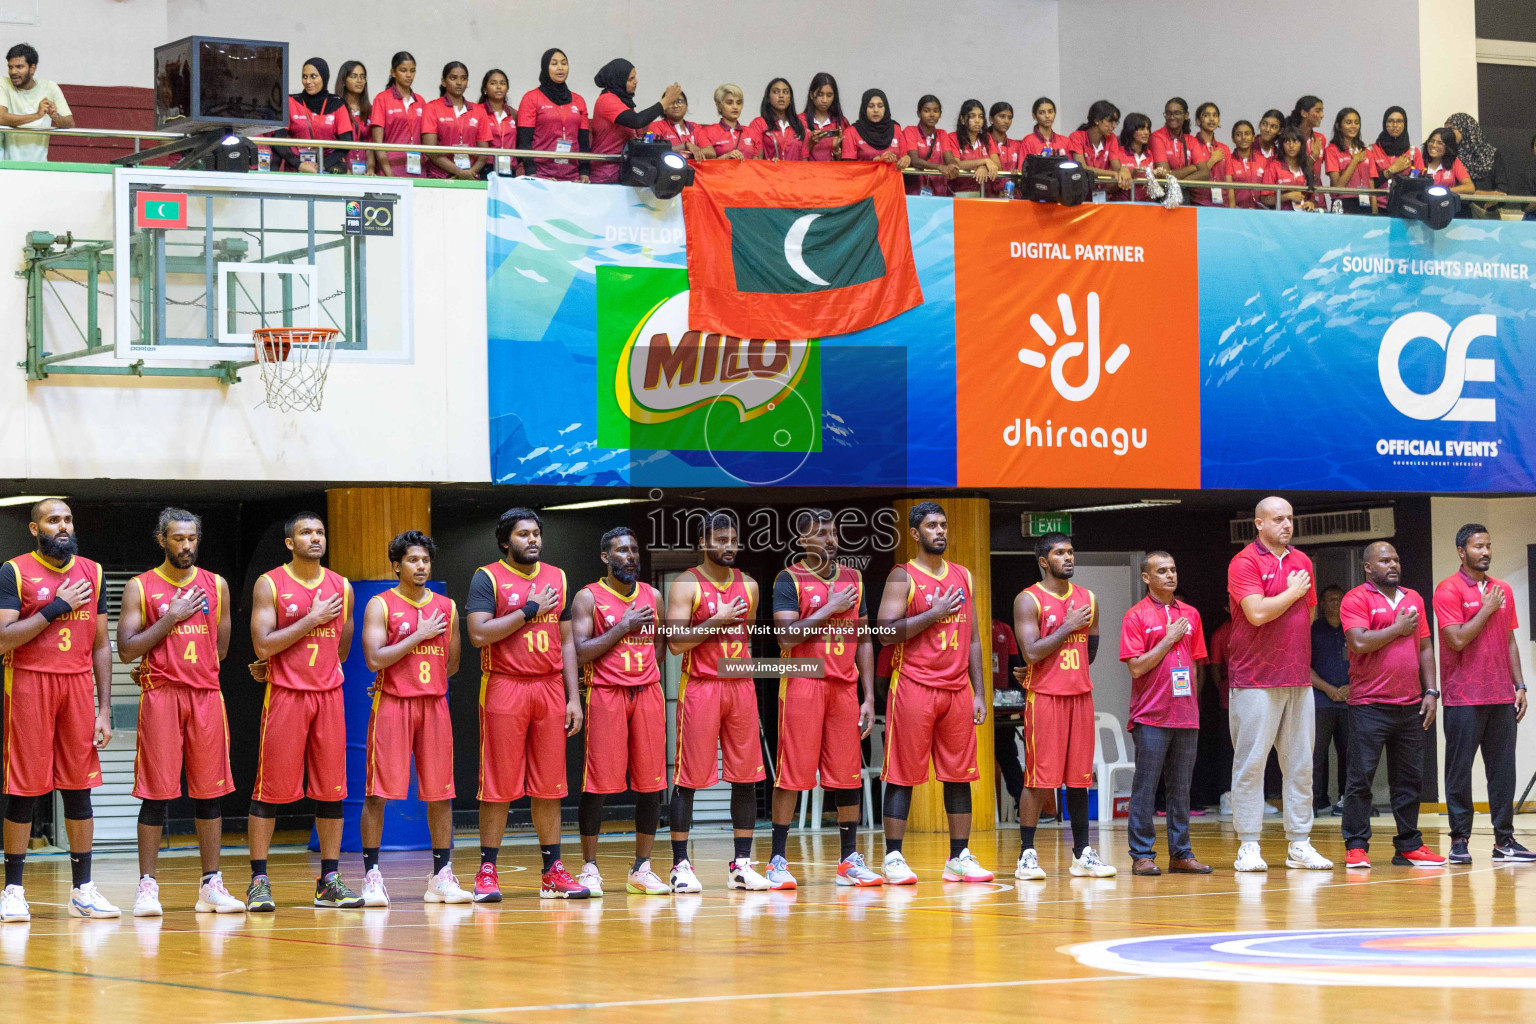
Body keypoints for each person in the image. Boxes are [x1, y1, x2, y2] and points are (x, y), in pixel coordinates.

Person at [116, 508, 243, 917]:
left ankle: (211, 884)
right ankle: (147, 886)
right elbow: (127, 649)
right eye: (177, 538)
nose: (186, 545)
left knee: (210, 794)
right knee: (156, 795)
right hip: (162, 695)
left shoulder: (217, 585)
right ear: (161, 540)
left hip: (205, 694)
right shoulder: (141, 586)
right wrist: (172, 617)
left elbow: (220, 648)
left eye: (191, 538)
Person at [0, 499, 118, 923]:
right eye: (53, 520)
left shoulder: (95, 571)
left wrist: (104, 709)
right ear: (35, 529)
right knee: (24, 790)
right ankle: (12, 890)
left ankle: (83, 890)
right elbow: (3, 638)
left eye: (68, 518)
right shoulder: (14, 571)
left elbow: (102, 643)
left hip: (76, 686)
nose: (63, 525)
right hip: (30, 682)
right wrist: (56, 607)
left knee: (79, 787)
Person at [467, 508, 587, 900]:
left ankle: (552, 869)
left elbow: (567, 641)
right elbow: (479, 634)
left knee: (550, 786)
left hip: (550, 687)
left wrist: (574, 696)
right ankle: (487, 870)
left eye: (536, 533)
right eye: (523, 534)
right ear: (506, 542)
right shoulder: (487, 577)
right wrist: (529, 609)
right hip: (506, 686)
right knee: (498, 785)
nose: (532, 539)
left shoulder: (558, 577)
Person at [246, 512, 360, 911]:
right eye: (305, 533)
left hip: (328, 696)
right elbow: (262, 646)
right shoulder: (270, 583)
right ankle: (259, 880)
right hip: (286, 695)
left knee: (332, 790)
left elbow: (341, 646)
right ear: (289, 543)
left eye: (320, 532)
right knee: (269, 791)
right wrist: (311, 619)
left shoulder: (341, 586)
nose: (315, 538)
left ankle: (329, 880)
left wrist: (319, 657)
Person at [877, 502, 991, 884]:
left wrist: (979, 692)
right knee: (902, 775)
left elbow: (973, 640)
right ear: (914, 533)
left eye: (943, 525)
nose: (940, 531)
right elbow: (885, 631)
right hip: (913, 684)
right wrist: (934, 612)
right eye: (931, 525)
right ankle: (893, 857)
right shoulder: (902, 575)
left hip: (957, 688)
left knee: (960, 776)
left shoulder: (964, 575)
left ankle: (959, 856)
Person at [768, 509, 882, 889]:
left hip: (844, 688)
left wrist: (868, 696)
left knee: (847, 775)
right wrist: (830, 607)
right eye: (820, 534)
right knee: (792, 775)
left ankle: (849, 859)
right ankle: (777, 861)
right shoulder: (789, 579)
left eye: (833, 532)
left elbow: (865, 640)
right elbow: (786, 637)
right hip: (803, 684)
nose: (830, 539)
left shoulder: (854, 578)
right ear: (803, 542)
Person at [358, 531, 470, 907]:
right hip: (392, 703)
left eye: (425, 560)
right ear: (397, 565)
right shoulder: (380, 604)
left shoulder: (448, 607)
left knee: (441, 794)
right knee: (377, 794)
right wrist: (418, 635)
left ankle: (441, 876)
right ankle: (372, 876)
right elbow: (374, 658)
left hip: (434, 705)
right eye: (412, 560)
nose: (420, 566)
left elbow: (451, 664)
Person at [664, 513, 768, 893]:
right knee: (688, 778)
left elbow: (748, 631)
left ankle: (741, 864)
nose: (729, 546)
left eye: (733, 540)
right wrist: (717, 619)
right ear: (703, 543)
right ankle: (680, 866)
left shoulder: (751, 586)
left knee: (746, 776)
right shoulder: (686, 584)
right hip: (702, 685)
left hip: (740, 684)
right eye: (720, 539)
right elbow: (675, 642)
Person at [1226, 496, 1330, 872]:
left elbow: (1309, 611)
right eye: (1278, 519)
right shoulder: (1244, 563)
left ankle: (1299, 844)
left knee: (1301, 765)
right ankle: (1249, 845)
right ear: (1259, 524)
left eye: (1290, 518)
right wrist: (1291, 593)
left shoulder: (1302, 562)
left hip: (1297, 679)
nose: (1287, 525)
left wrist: (1292, 598)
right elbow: (1255, 613)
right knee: (1251, 764)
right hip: (1254, 680)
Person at [570, 527, 669, 897]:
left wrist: (643, 671)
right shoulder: (588, 597)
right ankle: (590, 867)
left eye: (633, 549)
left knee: (651, 783)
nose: (630, 556)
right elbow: (580, 652)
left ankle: (641, 867)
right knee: (597, 784)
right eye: (622, 551)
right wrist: (624, 627)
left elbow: (659, 646)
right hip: (605, 694)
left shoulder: (653, 596)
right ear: (605, 557)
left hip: (647, 693)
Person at [1012, 532, 1113, 881]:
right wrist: (1068, 626)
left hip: (1080, 696)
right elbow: (1032, 652)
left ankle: (1083, 853)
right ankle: (1026, 854)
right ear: (1044, 561)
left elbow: (1092, 646)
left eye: (1071, 551)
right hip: (1044, 697)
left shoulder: (1089, 598)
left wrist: (1073, 668)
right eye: (1059, 553)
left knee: (1079, 779)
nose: (1068, 558)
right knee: (1039, 779)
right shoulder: (1028, 599)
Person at [1338, 543, 1446, 869]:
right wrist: (1398, 629)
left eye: (1396, 559)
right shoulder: (1355, 598)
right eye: (1385, 560)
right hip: (1368, 705)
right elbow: (1357, 641)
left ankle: (1409, 845)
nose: (1393, 564)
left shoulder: (1414, 598)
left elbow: (1425, 646)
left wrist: (1431, 691)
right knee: (1360, 780)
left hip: (1411, 704)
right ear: (1368, 567)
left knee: (1410, 780)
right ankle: (1356, 846)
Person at [1433, 524, 1534, 864]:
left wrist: (1519, 685)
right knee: (1459, 772)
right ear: (1462, 551)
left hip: (1502, 696)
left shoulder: (1502, 589)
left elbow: (1509, 641)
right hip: (1464, 698)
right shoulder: (1447, 590)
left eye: (1488, 545)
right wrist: (1487, 609)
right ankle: (1459, 841)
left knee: (1503, 771)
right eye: (1478, 546)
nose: (1486, 552)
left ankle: (1504, 841)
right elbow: (1456, 639)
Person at [1121, 552, 1211, 876]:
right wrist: (1168, 638)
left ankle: (1181, 853)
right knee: (1146, 787)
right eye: (1162, 571)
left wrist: (1194, 707)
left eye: (1173, 569)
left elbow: (1196, 664)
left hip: (1186, 715)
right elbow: (1136, 667)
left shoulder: (1191, 614)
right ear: (1147, 577)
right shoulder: (1135, 616)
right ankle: (1142, 854)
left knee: (1181, 789)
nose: (1170, 575)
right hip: (1151, 716)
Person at [589, 59, 681, 183]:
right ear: (618, 80)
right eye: (630, 79)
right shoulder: (606, 100)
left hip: (625, 171)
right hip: (606, 174)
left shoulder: (626, 104)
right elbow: (637, 121)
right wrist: (665, 101)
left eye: (635, 77)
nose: (636, 82)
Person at [516, 48, 590, 182]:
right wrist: (532, 173)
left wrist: (584, 173)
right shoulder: (531, 98)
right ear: (545, 67)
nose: (560, 68)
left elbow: (583, 142)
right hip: (541, 175)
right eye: (554, 63)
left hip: (572, 177)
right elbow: (524, 140)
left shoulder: (579, 100)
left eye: (564, 63)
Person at [275, 58, 352, 174]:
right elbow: (278, 140)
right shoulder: (291, 101)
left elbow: (346, 143)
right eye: (304, 77)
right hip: (296, 169)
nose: (308, 81)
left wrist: (322, 165)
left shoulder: (337, 104)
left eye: (313, 76)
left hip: (327, 170)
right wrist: (299, 165)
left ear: (324, 77)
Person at [0, 43, 73, 163]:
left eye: (19, 67)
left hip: (39, 167)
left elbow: (69, 123)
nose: (13, 72)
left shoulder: (50, 87)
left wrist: (56, 116)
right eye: (10, 67)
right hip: (8, 167)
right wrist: (37, 115)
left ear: (32, 68)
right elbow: (1, 117)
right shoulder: (3, 83)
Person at [422, 62, 488, 180]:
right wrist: (459, 172)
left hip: (471, 178)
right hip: (439, 177)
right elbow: (430, 150)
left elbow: (484, 153)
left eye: (463, 79)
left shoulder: (479, 111)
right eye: (453, 78)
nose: (459, 83)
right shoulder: (432, 107)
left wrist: (469, 173)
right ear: (443, 81)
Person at [369, 52, 425, 178]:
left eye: (412, 71)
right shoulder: (382, 99)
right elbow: (378, 143)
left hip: (417, 169)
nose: (409, 75)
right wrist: (389, 174)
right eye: (403, 70)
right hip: (391, 168)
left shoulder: (420, 101)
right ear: (393, 72)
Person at [992, 614, 1025, 811]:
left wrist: (1019, 701)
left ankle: (1022, 804)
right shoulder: (964, 626)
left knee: (1007, 755)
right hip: (967, 705)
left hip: (1000, 706)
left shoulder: (1004, 629)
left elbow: (1016, 666)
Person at [1445, 113, 1506, 217]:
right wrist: (1484, 195)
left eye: (1452, 128)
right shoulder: (1449, 155)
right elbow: (1454, 188)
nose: (1447, 133)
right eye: (1446, 129)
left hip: (1486, 215)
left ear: (1466, 129)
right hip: (1459, 214)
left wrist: (1494, 200)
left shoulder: (1491, 154)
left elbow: (1503, 187)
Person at [1067, 100, 1132, 198]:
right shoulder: (1077, 136)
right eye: (1110, 121)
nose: (1114, 126)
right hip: (1079, 196)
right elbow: (1082, 168)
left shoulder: (1112, 138)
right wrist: (1113, 174)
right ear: (1097, 120)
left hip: (1102, 196)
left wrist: (1124, 170)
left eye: (1115, 122)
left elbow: (1117, 167)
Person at [1369, 106, 1423, 211]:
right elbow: (1368, 183)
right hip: (1378, 207)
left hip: (1405, 208)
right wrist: (1392, 170)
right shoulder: (1372, 150)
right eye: (1390, 121)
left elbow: (1419, 184)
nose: (1395, 125)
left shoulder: (1413, 152)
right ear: (1385, 123)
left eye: (1399, 121)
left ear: (1405, 124)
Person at [903, 95, 956, 196]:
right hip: (915, 191)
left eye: (935, 111)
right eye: (927, 111)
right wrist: (939, 167)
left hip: (939, 191)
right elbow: (914, 160)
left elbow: (948, 157)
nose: (932, 115)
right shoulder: (910, 131)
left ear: (940, 114)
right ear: (919, 113)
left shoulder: (942, 133)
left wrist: (952, 164)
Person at [1324, 108, 1375, 213]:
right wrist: (1354, 161)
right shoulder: (1332, 150)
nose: (1353, 126)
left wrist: (1375, 212)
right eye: (1348, 122)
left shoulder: (1366, 151)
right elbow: (1338, 186)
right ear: (1339, 125)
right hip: (1342, 202)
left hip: (1365, 201)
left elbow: (1371, 185)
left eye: (1356, 123)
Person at [840, 89, 908, 165]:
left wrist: (907, 159)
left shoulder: (896, 129)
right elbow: (848, 166)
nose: (876, 110)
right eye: (871, 106)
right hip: (864, 176)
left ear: (885, 108)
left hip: (892, 176)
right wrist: (872, 161)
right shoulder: (851, 132)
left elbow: (904, 156)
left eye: (880, 106)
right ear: (864, 108)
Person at [945, 98, 997, 195]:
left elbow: (997, 164)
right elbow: (956, 164)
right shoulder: (952, 137)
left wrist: (984, 167)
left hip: (983, 194)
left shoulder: (987, 137)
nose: (977, 121)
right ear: (962, 119)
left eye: (980, 117)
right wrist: (984, 161)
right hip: (957, 193)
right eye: (972, 116)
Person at [1261, 128, 1318, 211]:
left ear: (1301, 144)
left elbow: (1313, 197)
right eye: (1287, 142)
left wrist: (1311, 203)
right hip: (1280, 217)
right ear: (1282, 145)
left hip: (1303, 217)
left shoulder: (1307, 167)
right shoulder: (1273, 167)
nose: (1291, 146)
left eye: (1295, 141)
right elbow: (1265, 199)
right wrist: (1288, 196)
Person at [698, 83, 759, 161]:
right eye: (729, 103)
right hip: (719, 173)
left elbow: (758, 165)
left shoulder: (752, 133)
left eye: (739, 103)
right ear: (719, 106)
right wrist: (725, 157)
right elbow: (702, 165)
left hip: (747, 173)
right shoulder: (707, 132)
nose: (735, 107)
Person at [750, 78, 806, 162]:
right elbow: (757, 160)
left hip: (796, 174)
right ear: (768, 98)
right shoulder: (759, 123)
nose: (781, 95)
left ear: (790, 98)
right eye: (776, 91)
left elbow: (804, 161)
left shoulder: (800, 124)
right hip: (769, 174)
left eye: (785, 92)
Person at [478, 69, 518, 176]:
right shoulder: (478, 112)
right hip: (485, 166)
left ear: (507, 88)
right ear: (485, 89)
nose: (499, 87)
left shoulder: (513, 113)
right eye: (493, 83)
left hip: (509, 167)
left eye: (502, 83)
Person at [335, 61, 372, 176]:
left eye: (362, 77)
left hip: (364, 170)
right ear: (344, 81)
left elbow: (371, 145)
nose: (359, 80)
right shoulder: (336, 108)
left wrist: (371, 169)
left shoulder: (371, 110)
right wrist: (344, 169)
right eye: (354, 76)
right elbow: (334, 144)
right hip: (343, 171)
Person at [801, 72, 847, 162]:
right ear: (811, 95)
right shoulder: (799, 121)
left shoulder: (842, 122)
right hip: (808, 174)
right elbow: (792, 158)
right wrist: (810, 144)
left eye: (829, 95)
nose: (824, 100)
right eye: (820, 94)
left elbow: (847, 165)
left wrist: (836, 151)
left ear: (834, 97)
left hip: (833, 174)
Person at [645, 92, 705, 159]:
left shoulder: (695, 127)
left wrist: (691, 153)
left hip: (695, 168)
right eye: (670, 102)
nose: (676, 105)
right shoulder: (656, 126)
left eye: (679, 101)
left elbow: (711, 152)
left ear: (686, 107)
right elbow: (656, 150)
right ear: (663, 109)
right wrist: (685, 146)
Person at [1222, 121, 1267, 209]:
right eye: (1239, 134)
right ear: (1233, 139)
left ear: (1253, 137)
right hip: (1236, 212)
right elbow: (1225, 191)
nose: (1243, 137)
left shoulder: (1263, 160)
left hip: (1260, 213)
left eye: (1247, 134)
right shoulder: (1228, 161)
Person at [986, 101, 1025, 197]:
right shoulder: (983, 143)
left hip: (1013, 199)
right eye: (1002, 116)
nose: (1006, 121)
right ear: (991, 119)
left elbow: (1023, 172)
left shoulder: (1017, 145)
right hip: (988, 197)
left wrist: (1018, 175)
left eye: (1009, 117)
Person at [1115, 113, 1154, 202]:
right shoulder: (1119, 153)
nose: (1146, 132)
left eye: (1148, 129)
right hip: (1123, 206)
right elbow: (1110, 187)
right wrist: (1131, 173)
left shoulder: (1150, 154)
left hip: (1147, 206)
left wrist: (1158, 175)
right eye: (1141, 129)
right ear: (1131, 130)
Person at [1422, 127, 1474, 195]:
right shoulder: (1420, 161)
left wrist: (1445, 191)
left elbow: (1470, 188)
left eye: (1439, 143)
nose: (1434, 145)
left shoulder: (1454, 162)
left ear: (1448, 147)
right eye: (1432, 141)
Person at [1286, 95, 1327, 164]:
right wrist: (1313, 156)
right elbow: (1294, 171)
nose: (1322, 115)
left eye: (1322, 111)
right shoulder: (1290, 139)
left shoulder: (1320, 139)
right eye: (1317, 111)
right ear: (1304, 113)